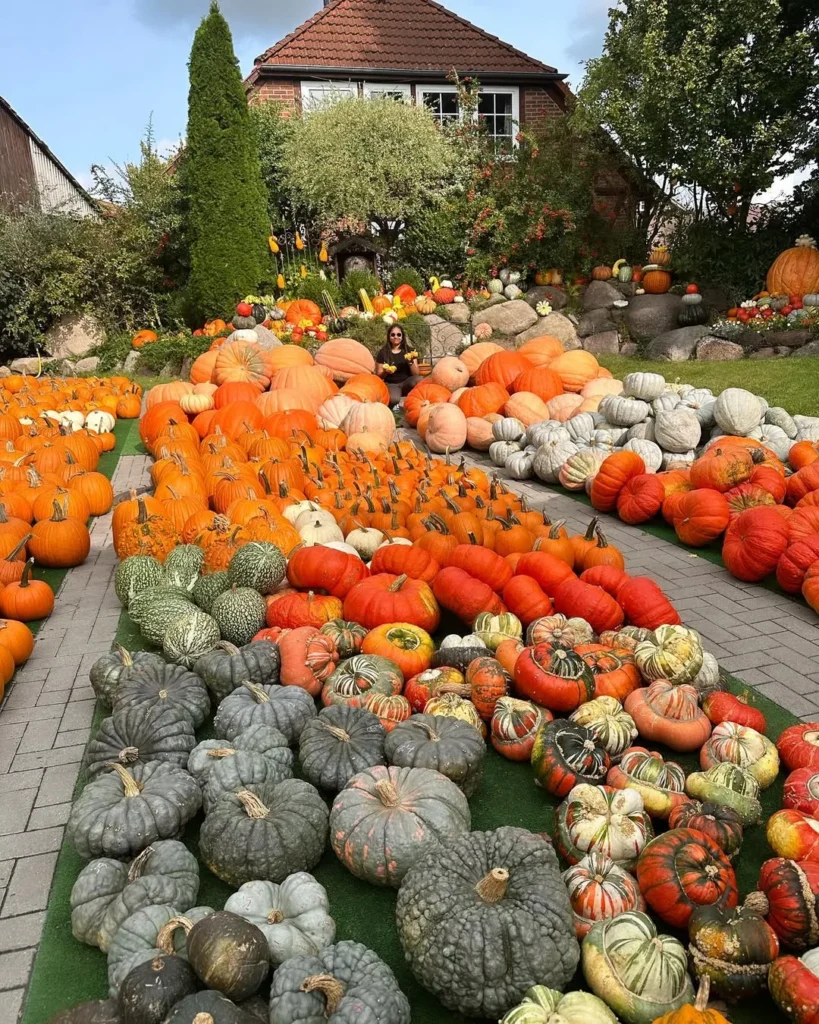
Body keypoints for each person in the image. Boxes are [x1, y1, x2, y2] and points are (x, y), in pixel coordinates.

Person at [375, 324, 422, 406]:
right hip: (392, 384)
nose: (396, 337)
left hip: (407, 382)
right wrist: (386, 372)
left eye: (398, 334)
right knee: (393, 400)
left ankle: (414, 397)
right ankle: (397, 394)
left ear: (402, 336)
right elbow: (379, 375)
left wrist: (411, 362)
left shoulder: (409, 351)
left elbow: (416, 374)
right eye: (392, 335)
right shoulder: (383, 352)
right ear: (389, 337)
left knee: (419, 379)